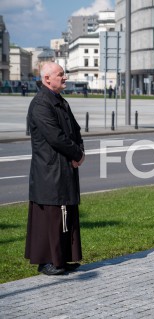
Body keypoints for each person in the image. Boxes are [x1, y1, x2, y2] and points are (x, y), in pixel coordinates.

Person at [25, 62, 85, 276]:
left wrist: (80, 150)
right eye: (60, 75)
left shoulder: (60, 101)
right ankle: (47, 261)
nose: (65, 77)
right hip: (49, 171)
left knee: (65, 216)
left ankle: (61, 259)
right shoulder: (41, 104)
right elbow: (55, 137)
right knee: (50, 218)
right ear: (47, 79)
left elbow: (75, 130)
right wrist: (77, 154)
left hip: (64, 168)